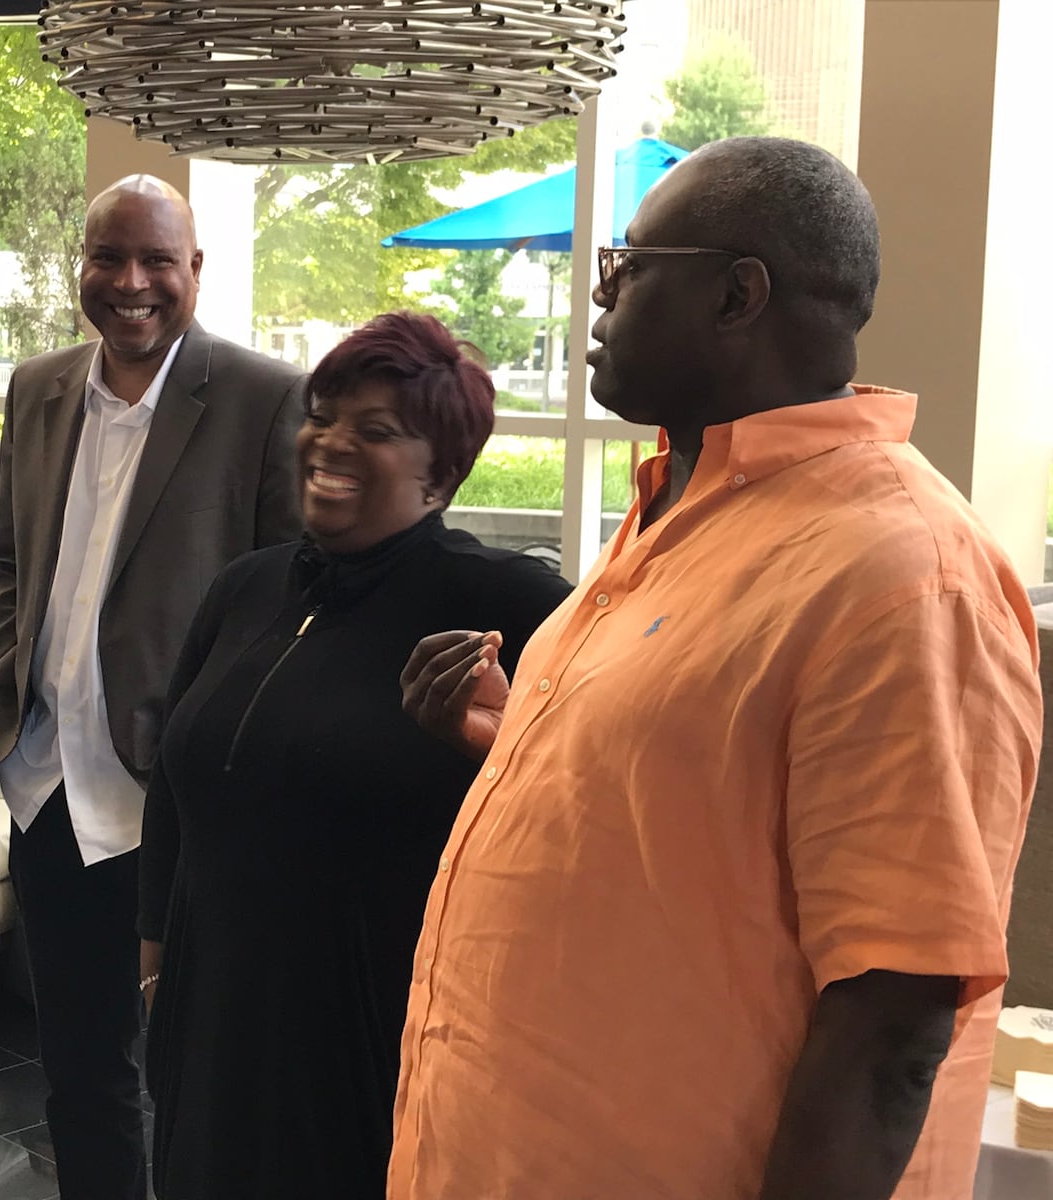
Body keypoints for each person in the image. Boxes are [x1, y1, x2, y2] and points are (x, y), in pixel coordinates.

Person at [389, 136, 1042, 1200]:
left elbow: (891, 1025)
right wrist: (507, 738)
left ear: (738, 294)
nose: (593, 302)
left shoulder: (901, 572)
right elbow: (687, 827)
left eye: (624, 268)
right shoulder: (682, 507)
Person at [136, 311, 571, 1198]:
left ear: (442, 473)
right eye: (322, 414)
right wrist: (154, 965)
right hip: (211, 1011)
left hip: (372, 1028)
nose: (329, 442)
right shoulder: (247, 587)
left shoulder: (506, 605)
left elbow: (573, 811)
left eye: (374, 431)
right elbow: (174, 789)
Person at [0, 175, 305, 1200]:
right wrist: (7, 679)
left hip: (178, 806)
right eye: (109, 257)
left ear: (197, 271)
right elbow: (10, 561)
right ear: (82, 269)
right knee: (80, 1067)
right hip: (47, 789)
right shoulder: (38, 387)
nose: (132, 283)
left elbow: (288, 602)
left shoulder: (263, 397)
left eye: (158, 261)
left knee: (202, 1065)